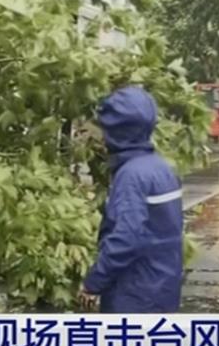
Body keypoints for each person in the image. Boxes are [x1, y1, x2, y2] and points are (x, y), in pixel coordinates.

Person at [78, 86, 184, 313]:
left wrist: (93, 283)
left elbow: (126, 239)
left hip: (134, 295)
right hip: (164, 288)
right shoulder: (162, 168)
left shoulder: (131, 176)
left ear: (117, 131)